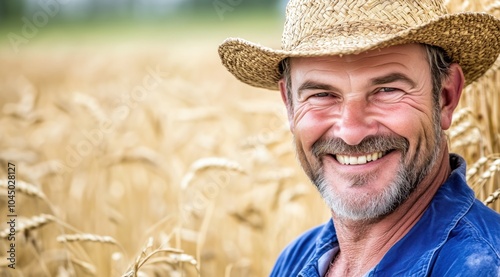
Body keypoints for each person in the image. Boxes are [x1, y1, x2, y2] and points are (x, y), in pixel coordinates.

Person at [218, 0, 500, 276]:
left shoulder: (482, 266)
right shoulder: (295, 259)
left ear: (446, 97)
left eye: (387, 90)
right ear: (290, 106)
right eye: (321, 95)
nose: (351, 133)